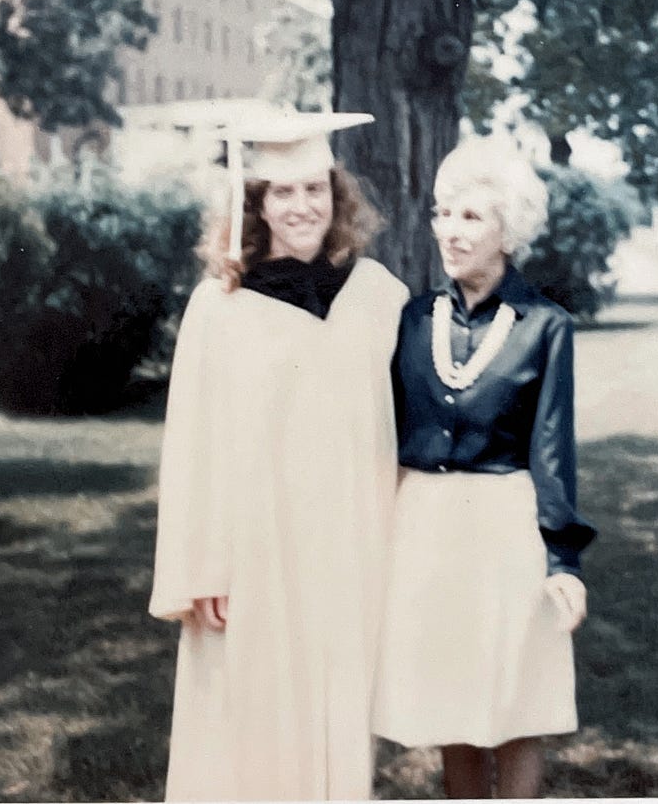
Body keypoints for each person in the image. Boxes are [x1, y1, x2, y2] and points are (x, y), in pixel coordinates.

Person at [149, 109, 409, 801]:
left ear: (337, 196)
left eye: (315, 189)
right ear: (255, 205)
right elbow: (191, 450)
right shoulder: (219, 308)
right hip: (252, 560)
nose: (302, 206)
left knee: (340, 720)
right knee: (249, 731)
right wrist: (202, 567)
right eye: (282, 192)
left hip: (353, 553)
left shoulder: (380, 296)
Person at [371, 134, 597, 798]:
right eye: (444, 213)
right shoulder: (412, 319)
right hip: (425, 524)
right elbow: (380, 429)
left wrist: (563, 560)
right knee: (453, 704)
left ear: (510, 229)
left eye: (471, 216)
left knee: (515, 701)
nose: (451, 230)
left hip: (505, 524)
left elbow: (552, 447)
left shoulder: (544, 325)